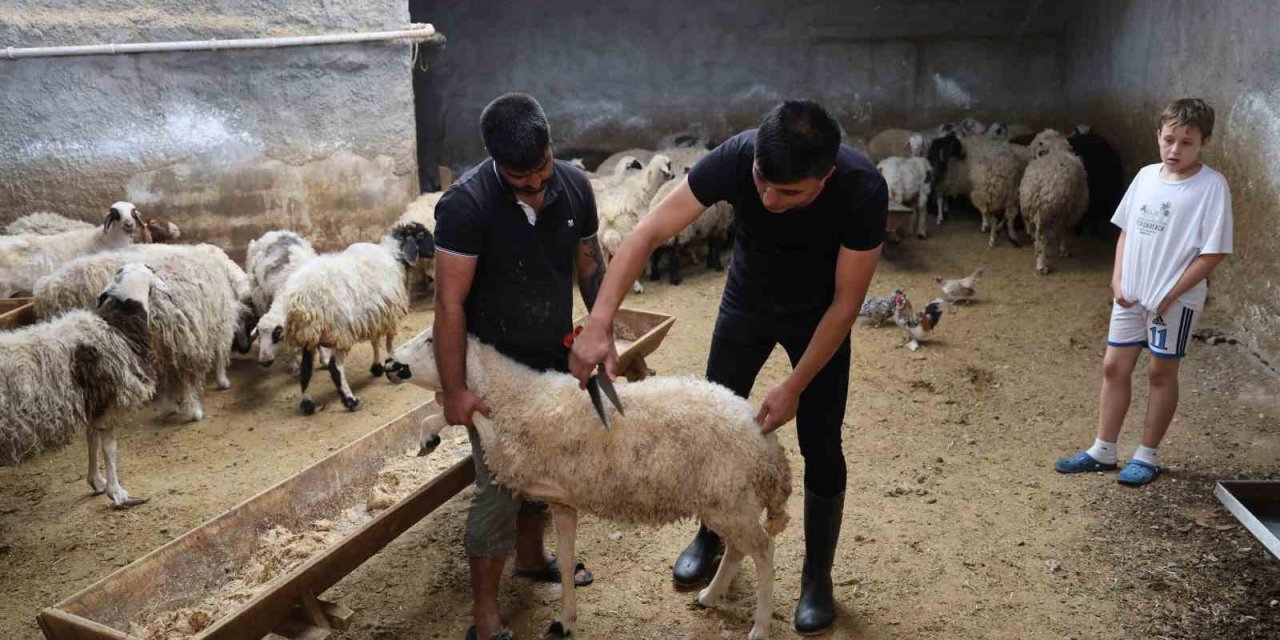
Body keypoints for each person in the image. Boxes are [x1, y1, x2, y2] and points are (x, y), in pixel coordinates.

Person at [569, 100, 886, 634]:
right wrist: (600, 320)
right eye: (762, 181)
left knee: (822, 442)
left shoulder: (861, 188)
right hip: (747, 304)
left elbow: (846, 304)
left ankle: (816, 576)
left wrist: (793, 386)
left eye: (789, 192)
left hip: (819, 314)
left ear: (824, 176)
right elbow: (646, 233)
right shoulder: (737, 157)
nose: (766, 198)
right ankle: (711, 534)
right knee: (709, 427)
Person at [433, 93, 605, 640]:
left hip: (551, 357)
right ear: (493, 162)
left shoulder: (576, 186)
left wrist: (600, 332)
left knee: (543, 467)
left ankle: (531, 560)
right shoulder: (465, 205)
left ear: (552, 148)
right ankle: (485, 615)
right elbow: (449, 305)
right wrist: (455, 389)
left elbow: (590, 266)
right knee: (497, 484)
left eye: (541, 171)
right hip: (493, 371)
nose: (534, 184)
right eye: (518, 176)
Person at [1054, 98, 1233, 486]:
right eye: (1169, 140)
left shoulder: (1211, 186)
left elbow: (1213, 251)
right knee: (1114, 366)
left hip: (1175, 300)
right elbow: (1126, 231)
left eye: (1186, 143)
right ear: (1158, 136)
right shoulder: (1146, 176)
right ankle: (1103, 449)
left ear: (1204, 141)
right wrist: (1118, 280)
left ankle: (1147, 455)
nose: (1175, 150)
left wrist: (1171, 293)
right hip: (1131, 295)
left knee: (1159, 372)